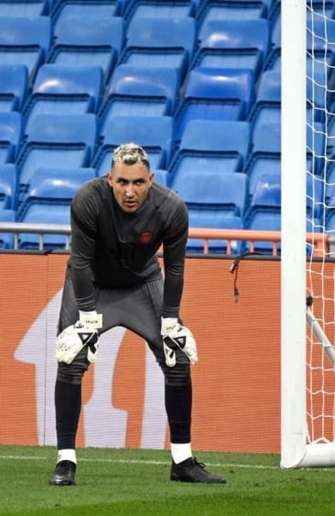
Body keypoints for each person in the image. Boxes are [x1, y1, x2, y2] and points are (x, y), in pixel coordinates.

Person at [49, 143, 225, 486]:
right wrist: (86, 317)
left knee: (177, 357)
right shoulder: (87, 200)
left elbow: (175, 269)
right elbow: (81, 262)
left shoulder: (171, 208)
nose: (130, 191)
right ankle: (65, 460)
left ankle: (182, 459)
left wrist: (171, 319)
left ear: (151, 180)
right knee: (70, 358)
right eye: (123, 182)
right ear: (109, 179)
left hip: (142, 285)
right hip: (92, 286)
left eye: (139, 183)